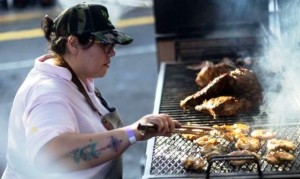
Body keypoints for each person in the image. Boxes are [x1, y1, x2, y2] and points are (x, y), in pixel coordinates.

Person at [1, 2, 181, 179]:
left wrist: (138, 130)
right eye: (105, 45)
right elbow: (50, 155)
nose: (112, 53)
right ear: (73, 43)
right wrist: (132, 132)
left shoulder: (74, 74)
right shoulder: (48, 92)